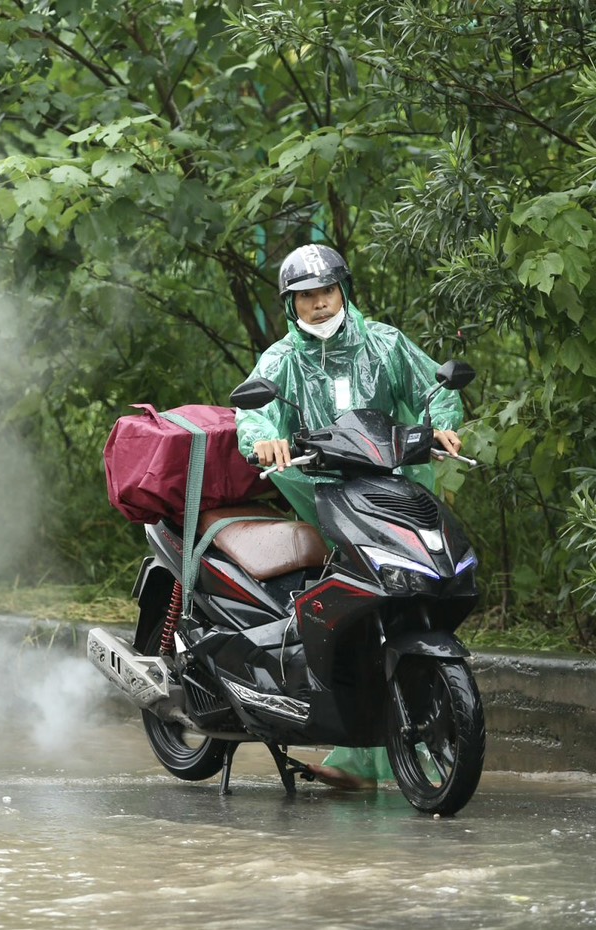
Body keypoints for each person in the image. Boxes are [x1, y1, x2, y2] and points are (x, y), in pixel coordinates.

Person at [235, 243, 464, 790]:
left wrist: (441, 424)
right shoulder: (281, 360)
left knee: (421, 591)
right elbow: (254, 414)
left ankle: (407, 738)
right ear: (292, 304)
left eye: (327, 292)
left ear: (343, 291)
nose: (319, 305)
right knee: (351, 605)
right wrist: (265, 440)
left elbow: (431, 387)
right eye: (307, 297)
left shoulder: (383, 343)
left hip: (390, 485)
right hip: (323, 489)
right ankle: (356, 747)